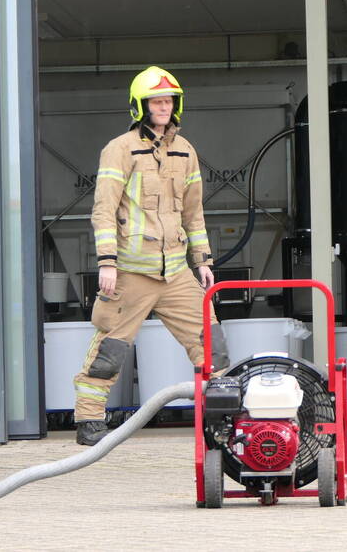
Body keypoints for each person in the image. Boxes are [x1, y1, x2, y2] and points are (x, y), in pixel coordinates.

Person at [72, 66, 219, 446]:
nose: (164, 107)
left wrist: (202, 261)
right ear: (141, 106)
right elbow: (103, 210)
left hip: (175, 271)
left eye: (169, 100)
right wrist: (107, 262)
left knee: (211, 341)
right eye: (156, 100)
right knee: (111, 348)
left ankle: (222, 413)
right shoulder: (119, 149)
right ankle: (89, 421)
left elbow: (194, 213)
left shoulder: (186, 152)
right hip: (131, 272)